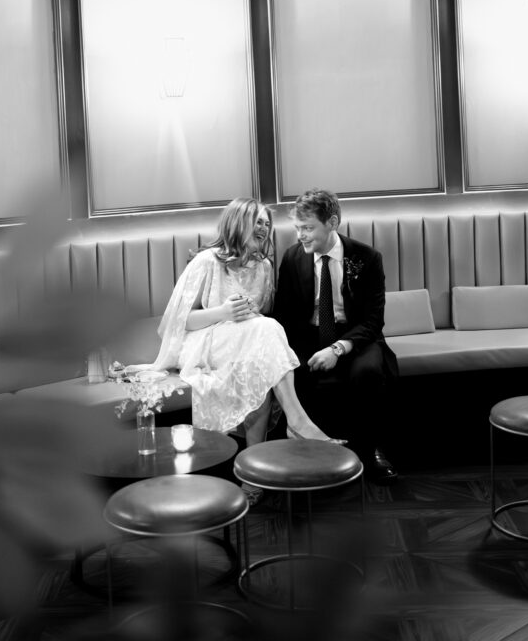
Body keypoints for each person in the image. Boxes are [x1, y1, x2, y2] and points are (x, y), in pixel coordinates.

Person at [146, 198, 344, 499]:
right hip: (204, 342)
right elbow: (177, 321)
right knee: (267, 331)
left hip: (244, 344)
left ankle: (253, 475)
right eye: (257, 221)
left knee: (259, 373)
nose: (264, 227)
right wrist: (223, 313)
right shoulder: (207, 261)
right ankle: (297, 421)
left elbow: (261, 315)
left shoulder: (264, 266)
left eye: (267, 222)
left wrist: (250, 314)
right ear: (238, 223)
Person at [273, 188, 399, 483]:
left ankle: (370, 451)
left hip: (355, 336)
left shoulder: (366, 258)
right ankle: (308, 456)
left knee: (368, 372)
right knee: (293, 370)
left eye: (307, 228)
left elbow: (373, 320)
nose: (300, 236)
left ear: (332, 222)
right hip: (309, 335)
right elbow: (284, 315)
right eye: (297, 229)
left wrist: (338, 349)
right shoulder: (292, 259)